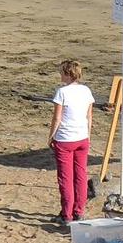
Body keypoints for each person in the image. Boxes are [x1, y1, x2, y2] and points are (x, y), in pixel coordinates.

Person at [48, 59, 96, 226]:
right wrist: (87, 135)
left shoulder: (62, 92)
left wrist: (51, 136)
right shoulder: (86, 90)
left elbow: (57, 118)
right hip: (82, 137)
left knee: (66, 178)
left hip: (65, 139)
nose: (60, 74)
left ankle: (67, 214)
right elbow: (89, 116)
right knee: (81, 175)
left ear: (68, 74)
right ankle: (79, 211)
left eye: (62, 72)